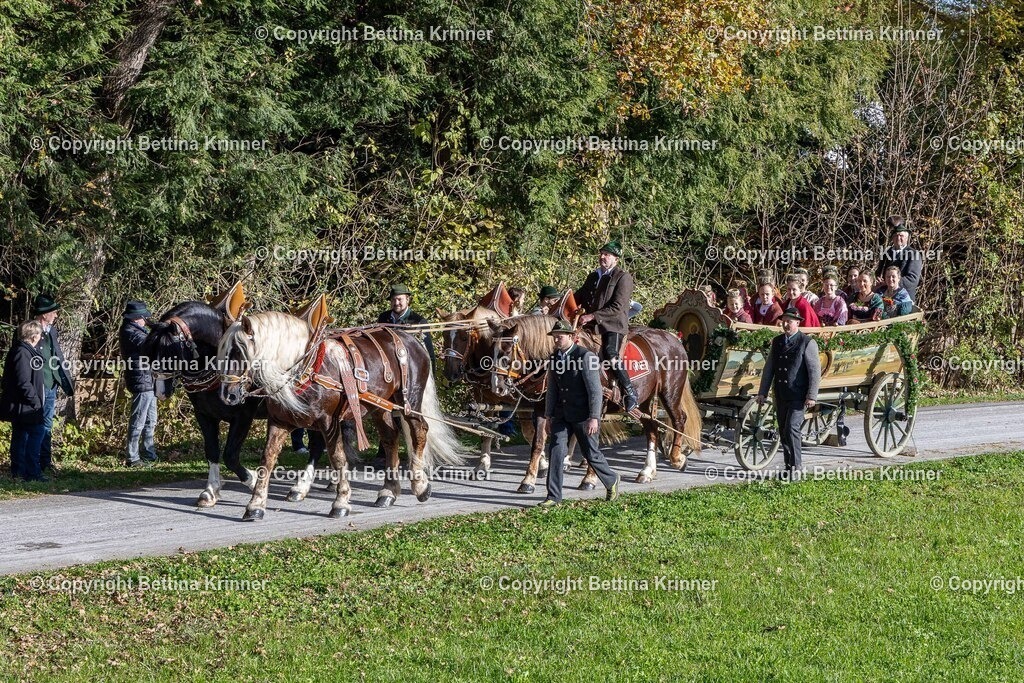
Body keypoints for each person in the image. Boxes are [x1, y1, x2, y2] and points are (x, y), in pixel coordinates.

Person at [537, 320, 620, 508]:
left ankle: (611, 479)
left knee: (591, 453)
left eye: (560, 336)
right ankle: (553, 496)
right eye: (554, 336)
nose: (557, 339)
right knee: (556, 452)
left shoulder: (586, 357)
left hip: (584, 415)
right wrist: (549, 416)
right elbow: (552, 390)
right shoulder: (554, 358)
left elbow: (595, 391)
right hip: (561, 415)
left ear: (571, 337)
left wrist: (594, 417)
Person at [755, 307, 821, 477]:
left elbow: (814, 371)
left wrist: (811, 396)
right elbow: (769, 368)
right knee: (784, 431)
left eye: (789, 321)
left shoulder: (807, 342)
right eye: (784, 320)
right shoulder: (777, 341)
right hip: (781, 393)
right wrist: (762, 392)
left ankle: (797, 467)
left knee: (792, 428)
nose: (785, 324)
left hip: (798, 395)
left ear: (797, 322)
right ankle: (788, 467)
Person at [575, 240, 638, 412]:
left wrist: (592, 316)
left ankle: (630, 391)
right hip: (591, 324)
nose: (602, 257)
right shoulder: (593, 276)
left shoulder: (623, 277)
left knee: (611, 353)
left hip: (613, 325)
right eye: (601, 253)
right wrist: (560, 304)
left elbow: (618, 306)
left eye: (607, 254)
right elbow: (578, 297)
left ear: (616, 259)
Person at [31, 294, 75, 473]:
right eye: (54, 312)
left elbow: (57, 356)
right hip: (37, 383)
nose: (56, 315)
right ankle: (32, 464)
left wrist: (64, 379)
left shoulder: (52, 331)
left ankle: (45, 462)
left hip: (52, 384)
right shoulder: (28, 330)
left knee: (48, 423)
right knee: (35, 424)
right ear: (44, 314)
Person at [0, 321, 47, 481]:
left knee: (22, 437)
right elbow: (23, 382)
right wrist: (35, 401)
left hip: (25, 405)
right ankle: (31, 472)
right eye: (39, 335)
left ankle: (20, 472)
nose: (41, 338)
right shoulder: (22, 352)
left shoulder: (25, 351)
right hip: (25, 406)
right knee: (35, 433)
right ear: (34, 336)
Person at [119, 300, 159, 468]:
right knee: (139, 420)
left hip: (148, 379)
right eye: (144, 318)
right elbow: (151, 344)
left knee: (151, 419)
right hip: (141, 379)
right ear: (137, 318)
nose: (146, 320)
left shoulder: (136, 329)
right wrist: (158, 329)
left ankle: (149, 453)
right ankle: (132, 456)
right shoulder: (130, 331)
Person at [377, 284, 435, 363]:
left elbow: (429, 354)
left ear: (407, 300)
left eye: (400, 299)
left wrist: (432, 374)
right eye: (393, 300)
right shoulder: (383, 318)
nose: (396, 303)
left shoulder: (419, 322)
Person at [875, 216, 923, 301]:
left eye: (901, 236)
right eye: (896, 235)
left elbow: (912, 280)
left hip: (904, 298)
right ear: (892, 238)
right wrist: (878, 279)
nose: (898, 238)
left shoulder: (914, 254)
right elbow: (879, 272)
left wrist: (889, 282)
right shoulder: (886, 252)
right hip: (885, 296)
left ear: (907, 238)